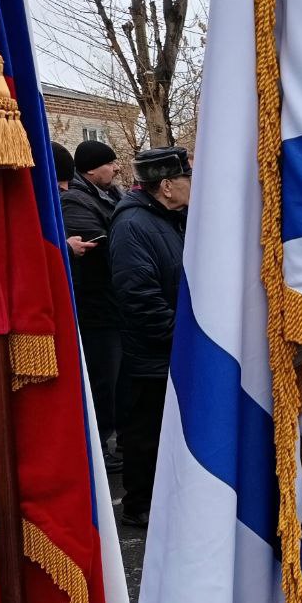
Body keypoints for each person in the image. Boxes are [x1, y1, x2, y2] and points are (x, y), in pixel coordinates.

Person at [110, 147, 191, 528]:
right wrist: (182, 338)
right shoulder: (134, 226)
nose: (194, 185)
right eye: (187, 178)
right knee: (146, 434)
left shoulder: (169, 217)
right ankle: (140, 506)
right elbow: (139, 297)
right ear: (167, 186)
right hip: (150, 357)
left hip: (168, 351)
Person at [62, 140, 126, 470]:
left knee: (117, 379)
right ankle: (98, 446)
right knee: (104, 379)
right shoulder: (75, 200)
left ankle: (110, 441)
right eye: (110, 163)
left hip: (113, 304)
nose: (116, 168)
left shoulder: (112, 194)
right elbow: (99, 241)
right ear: (90, 169)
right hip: (96, 308)